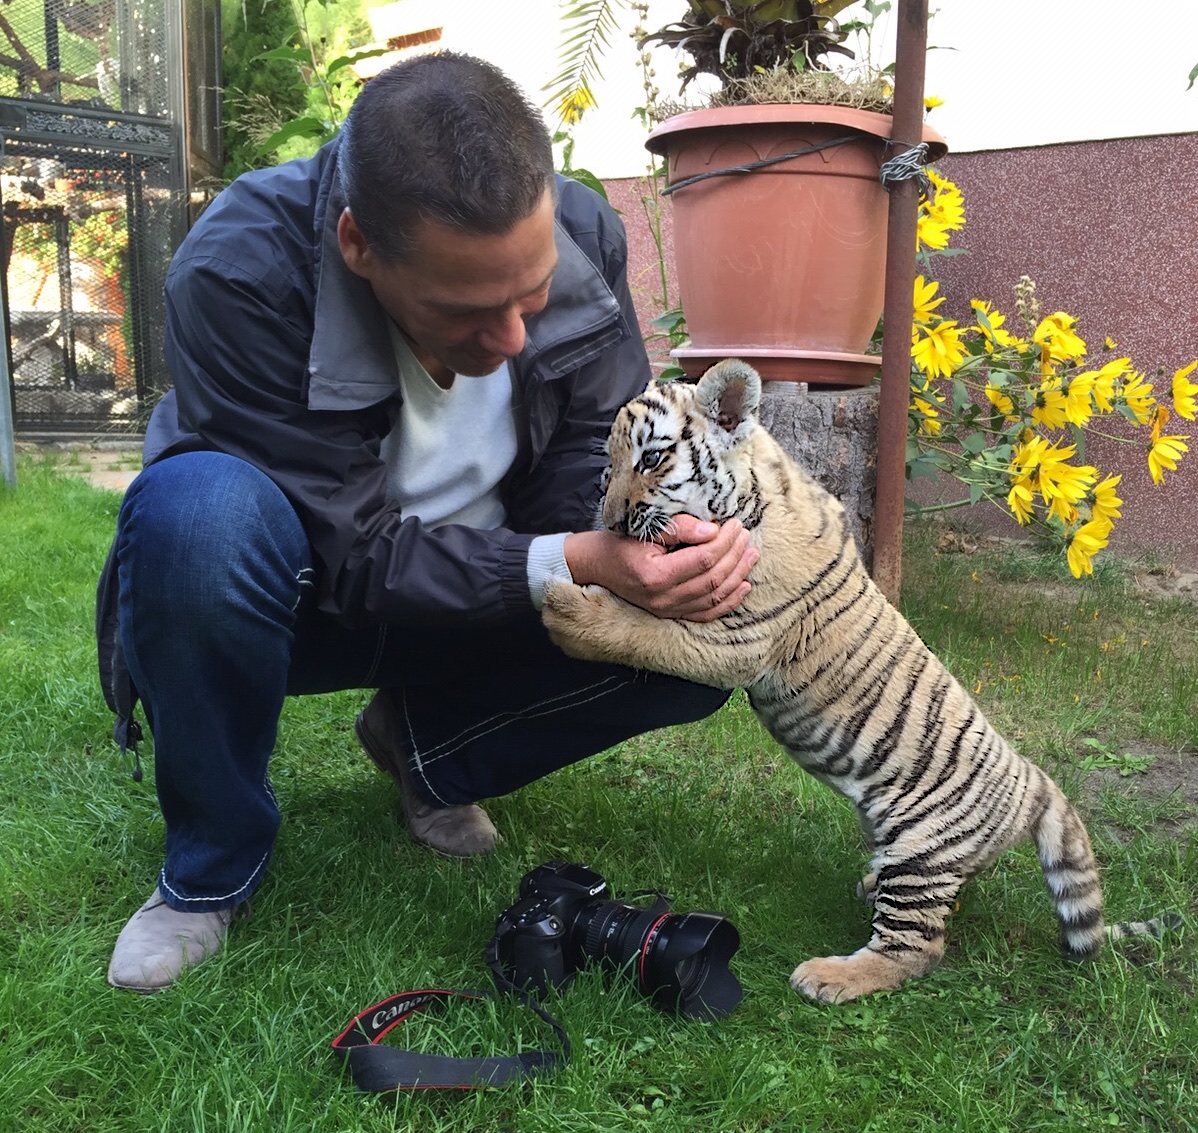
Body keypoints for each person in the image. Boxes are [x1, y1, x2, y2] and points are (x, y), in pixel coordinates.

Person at [96, 51, 757, 993]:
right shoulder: (240, 270)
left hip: (486, 597)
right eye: (467, 310)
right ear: (358, 244)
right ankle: (209, 867)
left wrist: (653, 553)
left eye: (531, 295)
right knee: (195, 515)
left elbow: (589, 448)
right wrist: (577, 559)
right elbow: (354, 556)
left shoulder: (580, 229)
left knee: (711, 627)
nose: (512, 339)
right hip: (303, 602)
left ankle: (427, 746)